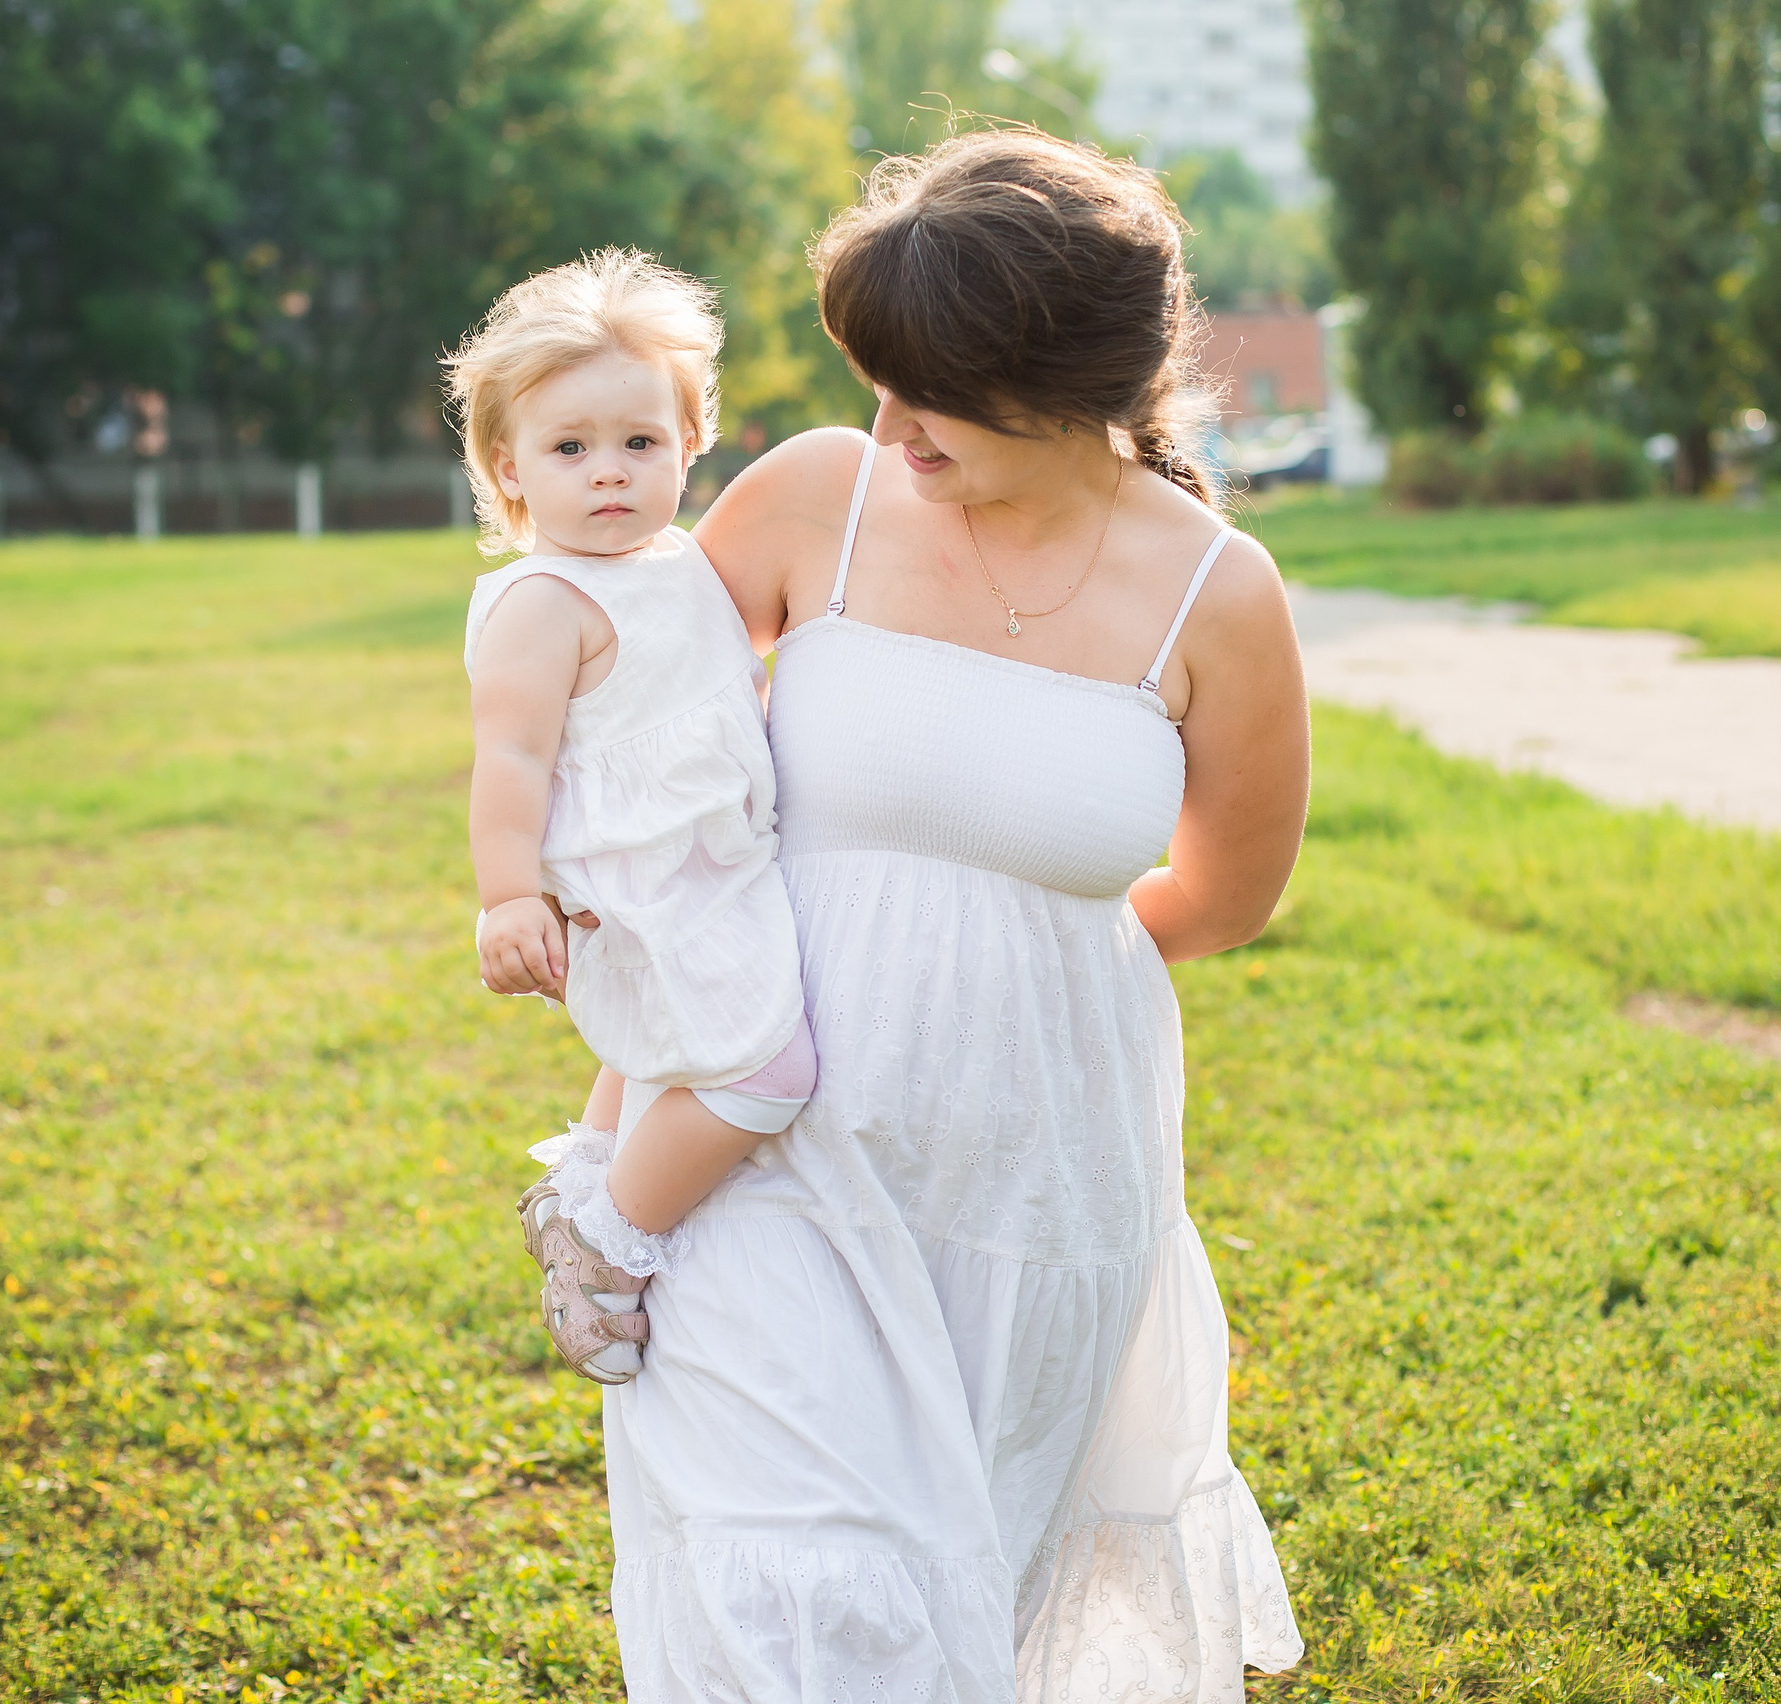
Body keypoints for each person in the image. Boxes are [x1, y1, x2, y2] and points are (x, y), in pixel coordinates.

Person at [605, 130, 1313, 1700]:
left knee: (966, 1600)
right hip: (761, 1148)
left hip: (1036, 1188)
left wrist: (1008, 958)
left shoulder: (1219, 594)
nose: (888, 425)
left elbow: (1224, 895)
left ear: (1068, 383)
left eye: (931, 392)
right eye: (879, 377)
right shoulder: (814, 501)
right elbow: (639, 761)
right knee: (791, 1587)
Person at [449, 250, 817, 1385]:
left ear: (691, 441)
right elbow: (510, 761)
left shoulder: (684, 565)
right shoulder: (542, 602)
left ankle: (580, 1177)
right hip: (639, 884)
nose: (608, 472)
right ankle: (607, 1239)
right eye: (569, 449)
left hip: (715, 862)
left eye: (640, 443)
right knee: (767, 1073)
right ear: (509, 467)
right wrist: (510, 897)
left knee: (665, 1042)